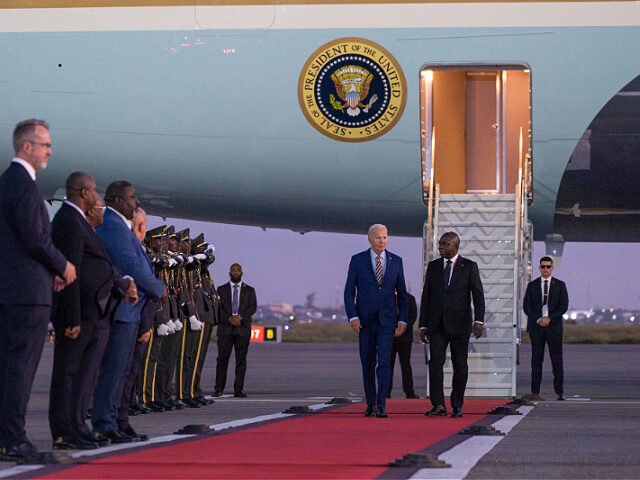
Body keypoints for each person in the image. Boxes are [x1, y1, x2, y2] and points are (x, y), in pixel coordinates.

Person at [0, 119, 76, 460]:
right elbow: (35, 238)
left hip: (13, 291)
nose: (49, 150)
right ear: (26, 147)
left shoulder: (7, 183)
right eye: (44, 144)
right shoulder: (24, 186)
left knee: (8, 367)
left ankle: (7, 436)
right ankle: (13, 439)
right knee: (19, 368)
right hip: (26, 296)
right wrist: (62, 266)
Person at [48, 173, 136, 450]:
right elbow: (68, 273)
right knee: (68, 375)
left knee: (82, 376)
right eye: (96, 192)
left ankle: (76, 426)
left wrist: (121, 283)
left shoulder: (80, 223)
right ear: (84, 193)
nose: (99, 199)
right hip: (80, 314)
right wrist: (71, 318)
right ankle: (64, 431)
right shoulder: (69, 222)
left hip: (93, 312)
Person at [92, 181, 165, 444]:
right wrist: (158, 288)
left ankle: (118, 421)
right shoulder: (112, 225)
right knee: (113, 372)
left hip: (131, 311)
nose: (136, 202)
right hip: (122, 309)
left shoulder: (121, 226)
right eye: (131, 197)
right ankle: (104, 424)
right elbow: (130, 264)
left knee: (123, 372)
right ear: (115, 200)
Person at [344, 224, 408, 418]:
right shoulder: (358, 260)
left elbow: (402, 294)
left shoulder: (396, 261)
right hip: (365, 322)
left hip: (387, 321)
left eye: (385, 237)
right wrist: (353, 316)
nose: (382, 241)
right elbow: (349, 292)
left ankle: (382, 404)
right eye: (379, 237)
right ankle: (370, 403)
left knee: (384, 364)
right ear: (370, 239)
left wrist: (403, 319)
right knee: (367, 363)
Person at [419, 231, 484, 418]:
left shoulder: (469, 266)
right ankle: (438, 404)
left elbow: (478, 295)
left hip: (460, 324)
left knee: (460, 365)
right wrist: (423, 324)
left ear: (456, 245)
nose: (441, 247)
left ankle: (457, 405)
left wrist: (478, 320)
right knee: (435, 364)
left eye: (445, 244)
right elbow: (426, 298)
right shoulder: (432, 267)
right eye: (440, 244)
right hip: (437, 324)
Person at [116, 208, 156, 439]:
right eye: (139, 226)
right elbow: (144, 288)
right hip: (132, 322)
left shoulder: (138, 250)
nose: (143, 231)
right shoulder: (129, 252)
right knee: (122, 375)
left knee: (129, 375)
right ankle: (116, 421)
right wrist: (144, 326)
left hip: (139, 322)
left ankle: (121, 421)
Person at [523, 256, 569, 401]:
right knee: (536, 360)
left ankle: (559, 392)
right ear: (539, 268)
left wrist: (550, 318)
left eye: (548, 266)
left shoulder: (560, 285)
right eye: (543, 266)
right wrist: (538, 319)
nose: (545, 269)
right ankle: (535, 391)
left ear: (552, 268)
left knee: (557, 360)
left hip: (553, 327)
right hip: (537, 327)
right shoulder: (532, 285)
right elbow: (526, 306)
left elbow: (563, 306)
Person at [213, 263, 257, 398]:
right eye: (233, 270)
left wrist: (240, 318)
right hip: (225, 328)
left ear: (242, 273)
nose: (236, 272)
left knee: (241, 360)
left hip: (242, 329)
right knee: (222, 359)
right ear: (229, 273)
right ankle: (218, 388)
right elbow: (218, 308)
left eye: (238, 270)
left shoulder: (249, 290)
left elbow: (252, 307)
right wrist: (229, 319)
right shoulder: (221, 289)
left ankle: (239, 388)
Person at [388, 293, 419, 399]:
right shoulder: (386, 296)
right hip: (389, 337)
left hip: (405, 337)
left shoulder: (410, 298)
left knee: (405, 364)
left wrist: (402, 328)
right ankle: (386, 391)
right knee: (388, 364)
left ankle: (409, 391)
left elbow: (412, 317)